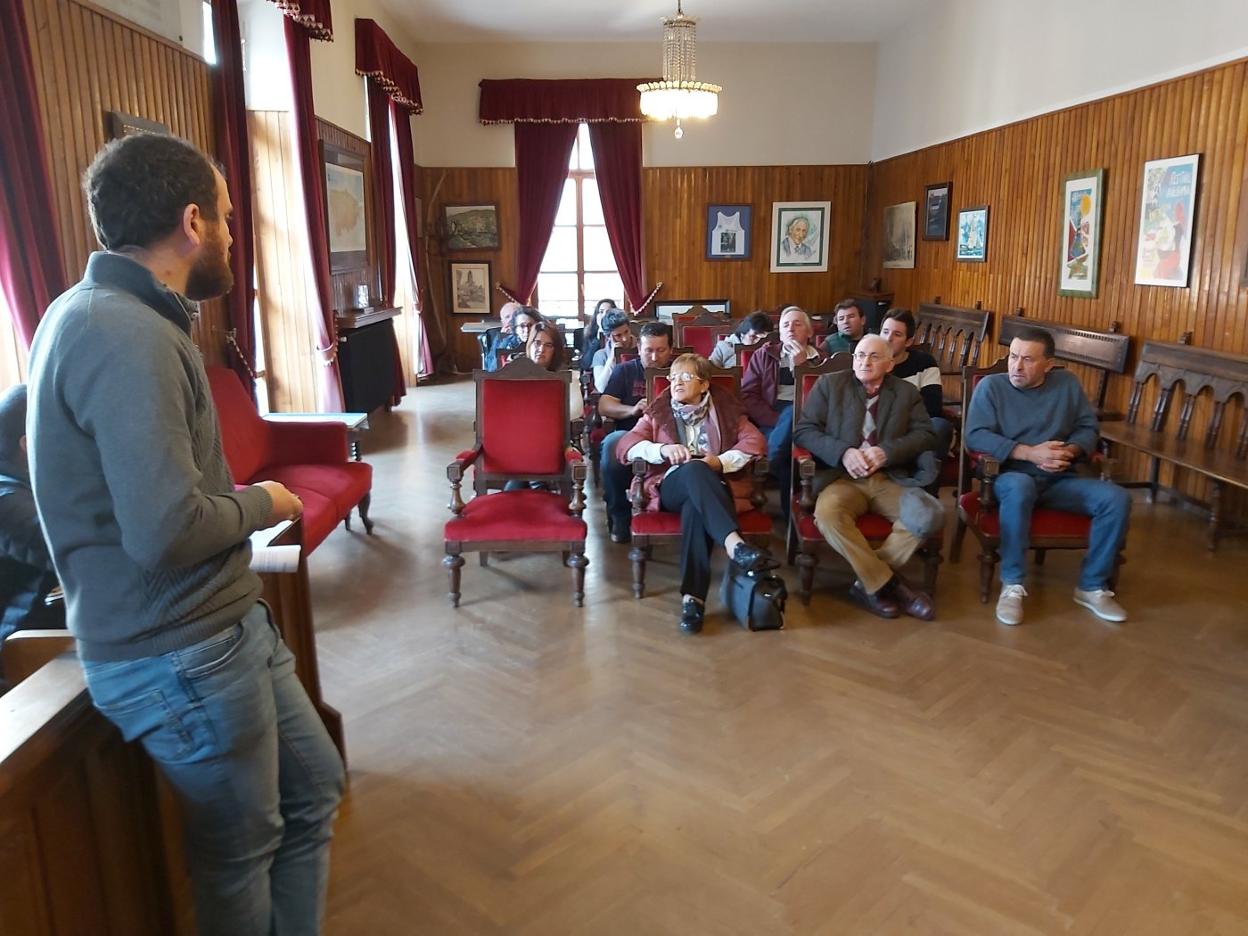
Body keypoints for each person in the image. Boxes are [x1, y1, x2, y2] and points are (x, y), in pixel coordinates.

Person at [27, 133, 344, 935]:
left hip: (221, 626)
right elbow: (167, 532)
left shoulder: (106, 315)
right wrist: (267, 501)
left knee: (313, 791)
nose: (236, 238)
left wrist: (230, 503)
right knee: (240, 854)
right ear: (192, 222)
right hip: (182, 650)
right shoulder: (122, 334)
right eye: (231, 220)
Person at [964, 327, 1131, 627]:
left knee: (1116, 499)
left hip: (1059, 479)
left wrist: (1070, 450)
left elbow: (1087, 428)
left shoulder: (1066, 385)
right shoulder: (992, 387)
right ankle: (1013, 584)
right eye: (1013, 356)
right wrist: (1029, 453)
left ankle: (1092, 586)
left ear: (1048, 364)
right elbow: (975, 435)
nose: (1016, 366)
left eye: (1027, 359)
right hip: (1011, 476)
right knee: (1019, 487)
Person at [617, 354, 775, 633]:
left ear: (704, 385)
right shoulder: (659, 411)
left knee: (695, 507)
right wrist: (662, 450)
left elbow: (756, 442)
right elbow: (626, 444)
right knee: (692, 470)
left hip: (714, 488)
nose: (676, 382)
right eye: (673, 377)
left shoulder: (726, 410)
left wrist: (719, 461)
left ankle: (693, 600)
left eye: (686, 377)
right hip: (671, 486)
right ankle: (734, 544)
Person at [793, 335, 942, 621]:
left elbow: (926, 434)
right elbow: (805, 430)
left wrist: (887, 452)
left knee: (926, 517)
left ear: (890, 363)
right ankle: (894, 587)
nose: (864, 361)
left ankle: (869, 583)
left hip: (890, 478)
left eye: (874, 356)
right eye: (860, 355)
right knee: (828, 515)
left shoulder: (906, 393)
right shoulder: (830, 385)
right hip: (842, 478)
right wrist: (843, 452)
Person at [0, 385, 63, 686]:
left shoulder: (31, 484)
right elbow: (72, 551)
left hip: (47, 636)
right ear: (28, 443)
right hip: (17, 657)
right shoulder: (6, 500)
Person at [741, 305, 826, 509]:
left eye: (797, 324)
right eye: (785, 325)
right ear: (779, 331)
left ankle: (770, 460)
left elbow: (823, 400)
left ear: (809, 331)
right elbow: (748, 395)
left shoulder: (822, 360)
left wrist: (803, 368)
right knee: (789, 455)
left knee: (793, 412)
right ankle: (792, 525)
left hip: (808, 419)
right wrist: (778, 421)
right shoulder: (765, 355)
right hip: (771, 419)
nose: (790, 329)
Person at [598, 321, 676, 543]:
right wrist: (631, 409)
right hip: (630, 434)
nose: (653, 357)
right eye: (648, 350)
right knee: (612, 446)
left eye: (660, 350)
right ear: (639, 349)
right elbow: (604, 405)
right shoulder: (625, 370)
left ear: (670, 349)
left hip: (671, 436)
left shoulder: (679, 370)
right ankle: (620, 515)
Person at [878, 309, 955, 460]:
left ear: (908, 341)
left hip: (914, 427)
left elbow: (932, 408)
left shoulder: (925, 363)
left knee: (940, 426)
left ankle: (924, 478)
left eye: (897, 334)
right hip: (881, 426)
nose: (888, 338)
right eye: (885, 332)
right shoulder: (869, 361)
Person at [590, 308, 636, 393]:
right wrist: (612, 358)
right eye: (618, 335)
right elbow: (601, 388)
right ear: (608, 337)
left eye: (626, 331)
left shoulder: (642, 348)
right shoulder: (601, 355)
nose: (625, 338)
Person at [708, 311, 772, 369]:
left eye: (763, 338)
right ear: (742, 333)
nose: (758, 341)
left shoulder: (769, 348)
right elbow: (711, 370)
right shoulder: (723, 346)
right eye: (754, 336)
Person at [482, 300, 523, 372]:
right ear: (503, 323)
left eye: (515, 315)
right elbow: (491, 368)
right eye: (507, 317)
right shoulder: (499, 338)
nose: (511, 319)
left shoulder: (525, 334)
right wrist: (503, 339)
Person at [580, 298, 618, 371]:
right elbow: (586, 364)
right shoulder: (590, 335)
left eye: (608, 312)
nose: (604, 315)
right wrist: (598, 338)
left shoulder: (619, 333)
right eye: (601, 312)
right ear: (596, 315)